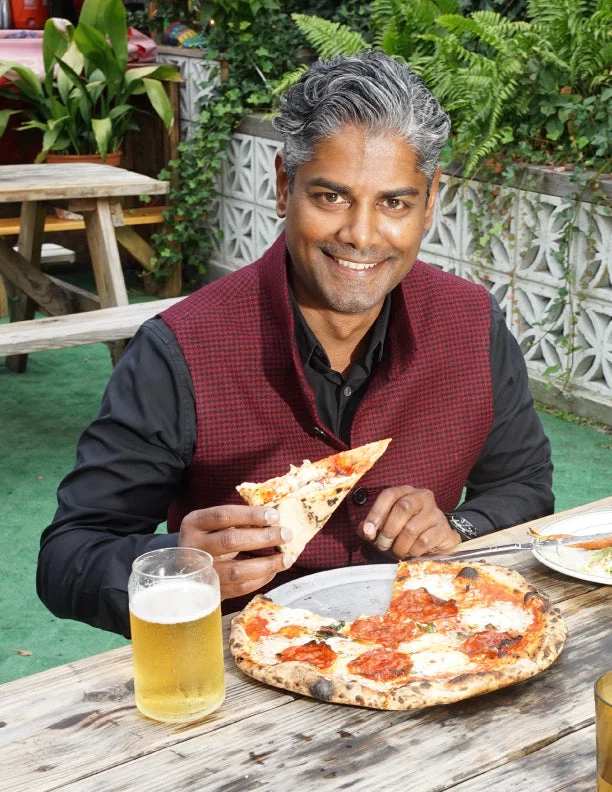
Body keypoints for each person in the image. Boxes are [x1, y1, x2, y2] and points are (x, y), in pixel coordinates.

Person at [37, 51, 554, 638]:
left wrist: (459, 527)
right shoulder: (178, 350)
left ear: (431, 200)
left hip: (428, 656)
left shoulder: (471, 323)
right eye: (331, 197)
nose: (361, 235)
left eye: (394, 203)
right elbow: (65, 558)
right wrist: (182, 565)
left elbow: (525, 486)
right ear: (284, 185)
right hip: (247, 684)